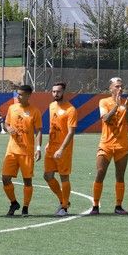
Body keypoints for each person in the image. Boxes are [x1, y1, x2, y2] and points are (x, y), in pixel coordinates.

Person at [91, 77, 128, 215]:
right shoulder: (103, 102)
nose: (120, 89)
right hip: (106, 144)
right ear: (110, 88)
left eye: (121, 86)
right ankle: (95, 206)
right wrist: (116, 106)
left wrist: (126, 107)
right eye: (116, 86)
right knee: (100, 173)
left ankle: (118, 206)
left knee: (120, 176)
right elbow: (105, 119)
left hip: (122, 145)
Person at [1, 85, 42, 216]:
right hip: (12, 150)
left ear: (28, 96)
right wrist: (8, 128)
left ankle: (25, 207)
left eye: (20, 94)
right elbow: (6, 123)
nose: (18, 97)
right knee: (5, 178)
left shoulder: (35, 111)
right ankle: (14, 202)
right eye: (17, 94)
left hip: (26, 152)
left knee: (27, 180)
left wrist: (38, 148)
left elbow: (39, 131)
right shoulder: (12, 108)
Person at [44, 82, 77, 217]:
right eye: (53, 91)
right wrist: (48, 143)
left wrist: (62, 149)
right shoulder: (51, 106)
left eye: (58, 91)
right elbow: (53, 128)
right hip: (51, 147)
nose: (55, 94)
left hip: (63, 149)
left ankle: (64, 207)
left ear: (63, 92)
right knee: (47, 176)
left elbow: (70, 132)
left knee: (64, 176)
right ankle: (63, 200)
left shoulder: (71, 109)